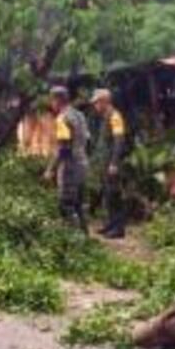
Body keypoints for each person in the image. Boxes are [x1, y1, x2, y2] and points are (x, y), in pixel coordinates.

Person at [43, 86, 90, 233]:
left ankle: (73, 243)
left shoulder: (62, 118)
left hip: (70, 167)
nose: (51, 104)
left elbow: (63, 148)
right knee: (79, 205)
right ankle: (85, 238)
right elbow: (88, 139)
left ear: (57, 100)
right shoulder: (80, 115)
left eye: (52, 100)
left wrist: (50, 169)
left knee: (66, 205)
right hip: (83, 163)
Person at [90, 89, 129, 238]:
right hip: (105, 163)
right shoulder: (105, 116)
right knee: (108, 195)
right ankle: (110, 225)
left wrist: (114, 163)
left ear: (104, 101)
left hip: (112, 163)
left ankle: (118, 229)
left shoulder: (115, 116)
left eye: (97, 102)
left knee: (114, 195)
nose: (95, 105)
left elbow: (119, 140)